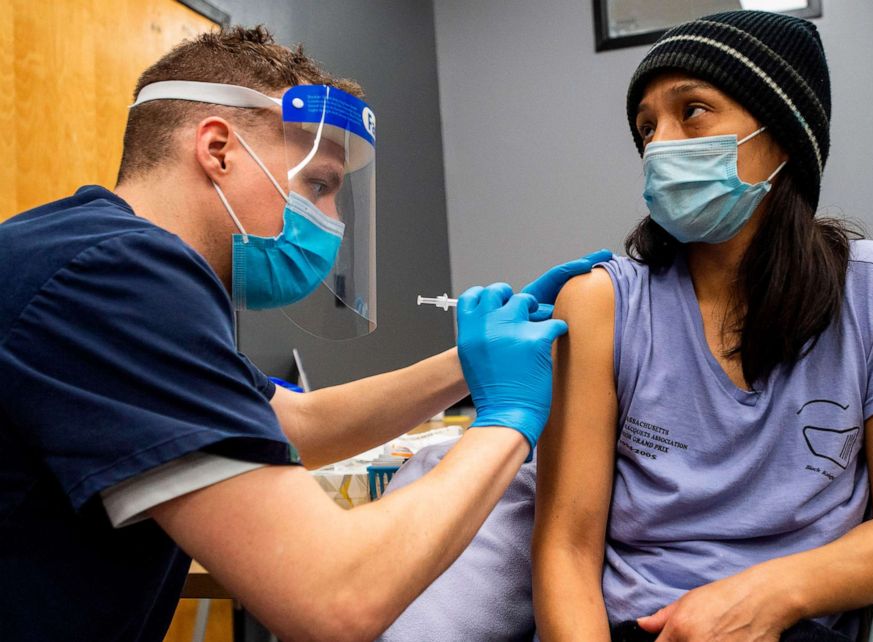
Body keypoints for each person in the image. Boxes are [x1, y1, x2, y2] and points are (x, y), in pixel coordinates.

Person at [0, 27, 608, 641]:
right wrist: (505, 420)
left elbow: (301, 423)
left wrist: (471, 361)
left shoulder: (81, 252)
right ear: (218, 149)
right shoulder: (119, 277)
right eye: (318, 185)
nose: (333, 221)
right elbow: (336, 598)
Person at [532, 11, 873, 642]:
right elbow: (566, 549)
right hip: (640, 626)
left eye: (693, 112)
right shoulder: (600, 303)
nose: (660, 145)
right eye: (646, 127)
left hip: (802, 623)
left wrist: (765, 595)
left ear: (785, 139)